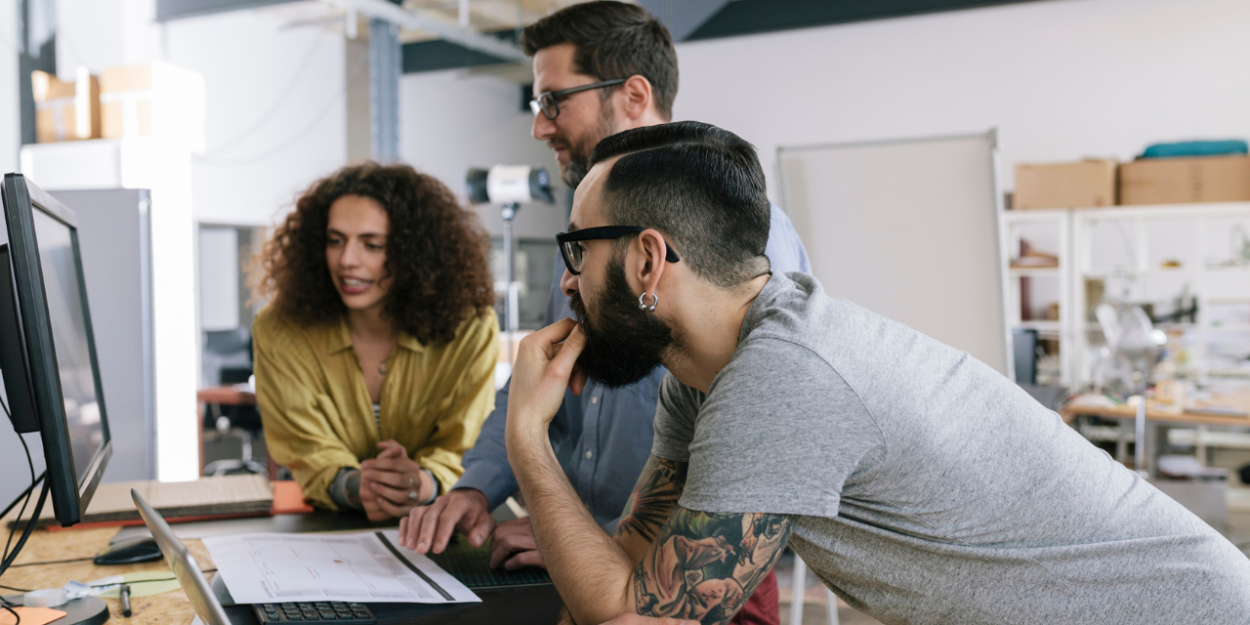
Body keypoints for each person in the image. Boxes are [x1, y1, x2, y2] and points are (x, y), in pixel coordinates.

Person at [451, 120, 1250, 625]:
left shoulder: (783, 374)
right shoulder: (704, 373)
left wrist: (528, 439)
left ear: (649, 259)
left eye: (578, 251)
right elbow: (630, 563)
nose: (567, 281)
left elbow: (642, 619)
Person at [403, 4, 807, 624]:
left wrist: (586, 539)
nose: (539, 128)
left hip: (697, 573)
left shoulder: (742, 243)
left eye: (552, 102)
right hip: (587, 557)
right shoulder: (590, 242)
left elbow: (749, 451)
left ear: (634, 93)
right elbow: (544, 375)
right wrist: (481, 486)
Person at [253, 162, 499, 522]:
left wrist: (421, 483)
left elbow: (464, 445)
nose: (347, 261)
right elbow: (307, 450)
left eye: (372, 244)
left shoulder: (471, 328)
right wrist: (358, 486)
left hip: (442, 521)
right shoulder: (280, 329)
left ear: (414, 253)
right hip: (329, 528)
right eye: (335, 241)